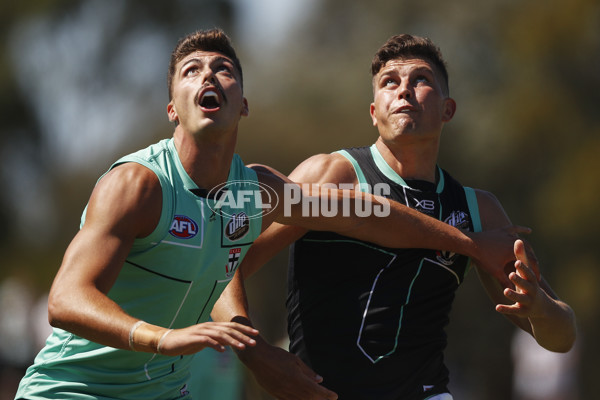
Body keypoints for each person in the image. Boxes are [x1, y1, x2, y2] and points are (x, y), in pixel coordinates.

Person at [14, 29, 525, 400]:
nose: (209, 75)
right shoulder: (140, 185)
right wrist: (166, 338)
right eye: (191, 71)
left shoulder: (252, 192)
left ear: (243, 105)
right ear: (172, 106)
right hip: (72, 392)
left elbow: (374, 215)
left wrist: (471, 245)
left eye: (224, 69)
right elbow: (65, 299)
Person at [212, 34, 577, 400]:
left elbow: (563, 336)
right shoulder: (333, 176)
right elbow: (220, 265)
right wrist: (255, 353)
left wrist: (540, 308)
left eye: (421, 80)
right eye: (390, 82)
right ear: (374, 112)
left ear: (448, 109)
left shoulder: (476, 209)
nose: (404, 91)